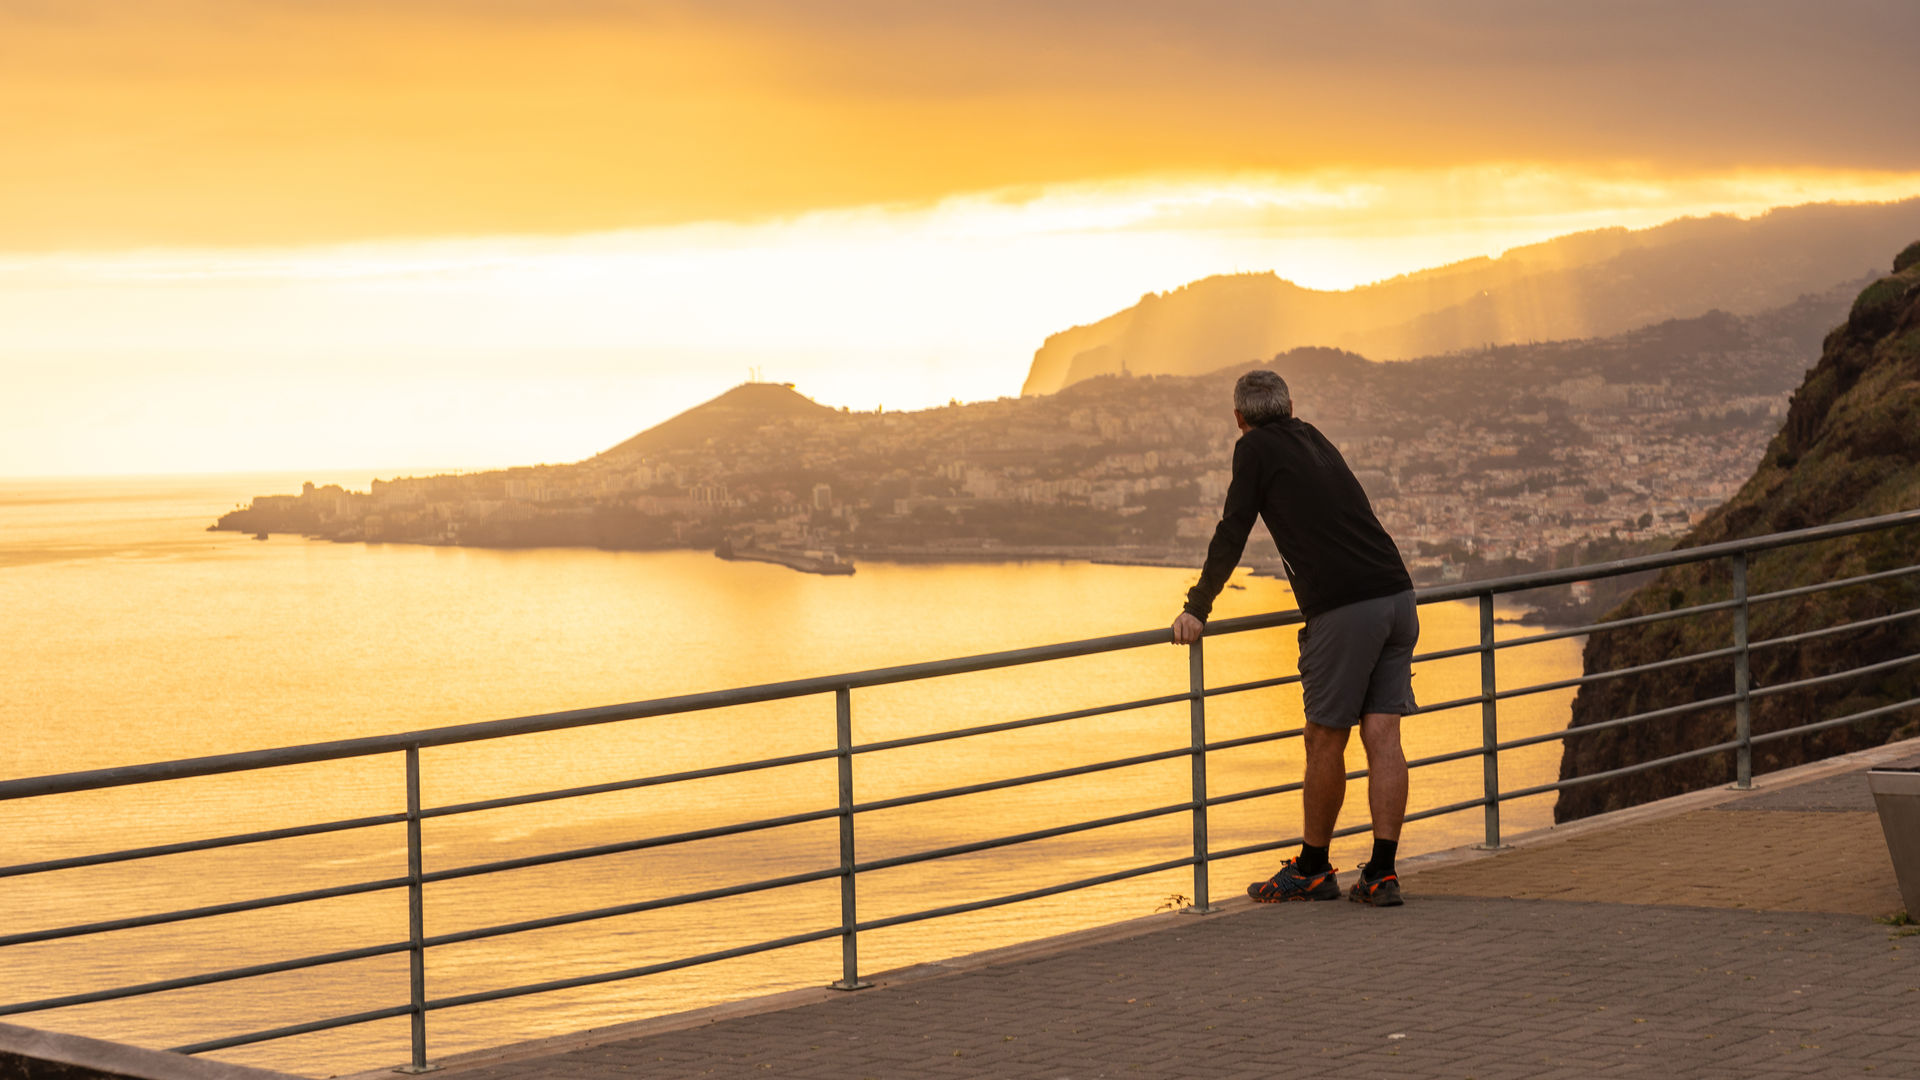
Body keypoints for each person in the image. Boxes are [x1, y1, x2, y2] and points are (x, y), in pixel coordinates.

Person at [1171, 369, 1418, 907]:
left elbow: (1232, 529)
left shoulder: (1254, 448)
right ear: (1289, 405)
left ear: (1239, 418)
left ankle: (1311, 868)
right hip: (1397, 595)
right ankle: (1381, 874)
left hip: (1346, 607)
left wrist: (1197, 607)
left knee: (1324, 737)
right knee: (1384, 737)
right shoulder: (1314, 437)